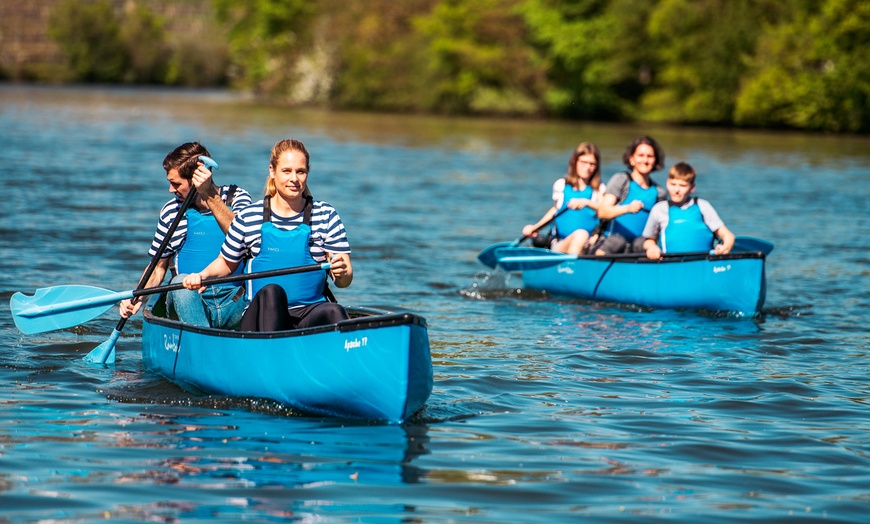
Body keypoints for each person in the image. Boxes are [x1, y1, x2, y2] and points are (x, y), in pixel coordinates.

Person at [182, 138, 353, 332]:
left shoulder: (326, 214)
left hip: (309, 311)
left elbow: (344, 281)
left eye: (301, 171)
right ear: (272, 171)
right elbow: (226, 263)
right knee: (273, 292)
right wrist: (201, 276)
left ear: (307, 173)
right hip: (261, 315)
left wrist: (341, 273)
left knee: (334, 310)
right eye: (286, 171)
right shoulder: (249, 216)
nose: (294, 179)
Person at [120, 142, 252, 328]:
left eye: (176, 184)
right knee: (180, 282)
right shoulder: (171, 211)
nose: (171, 190)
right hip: (189, 301)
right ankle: (204, 341)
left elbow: (241, 238)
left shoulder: (238, 198)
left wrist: (207, 194)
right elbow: (158, 268)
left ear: (198, 178)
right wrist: (137, 297)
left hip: (234, 301)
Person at [521, 142, 606, 255]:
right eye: (583, 162)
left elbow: (604, 210)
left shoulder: (599, 189)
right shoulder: (561, 185)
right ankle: (571, 267)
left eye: (592, 164)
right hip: (560, 244)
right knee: (580, 234)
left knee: (583, 235)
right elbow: (555, 211)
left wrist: (586, 203)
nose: (587, 167)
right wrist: (535, 228)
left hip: (589, 245)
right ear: (574, 161)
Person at [642, 162, 735, 259]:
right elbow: (648, 240)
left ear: (692, 187)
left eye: (682, 186)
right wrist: (652, 247)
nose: (676, 190)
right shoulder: (659, 209)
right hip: (670, 265)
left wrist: (725, 247)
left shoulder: (703, 206)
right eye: (673, 184)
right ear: (667, 183)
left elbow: (728, 236)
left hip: (704, 264)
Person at [594, 136, 668, 255]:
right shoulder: (621, 180)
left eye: (650, 156)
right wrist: (627, 209)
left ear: (655, 161)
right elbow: (603, 212)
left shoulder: (659, 192)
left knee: (646, 244)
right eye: (641, 155)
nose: (645, 160)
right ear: (631, 159)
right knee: (618, 241)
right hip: (611, 242)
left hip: (638, 247)